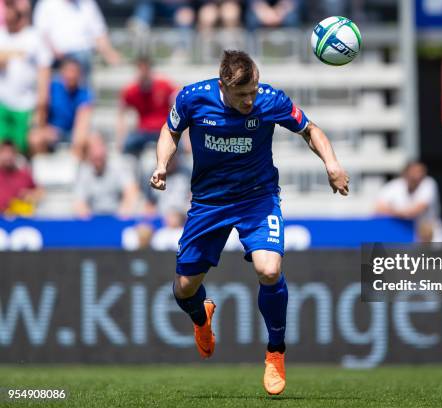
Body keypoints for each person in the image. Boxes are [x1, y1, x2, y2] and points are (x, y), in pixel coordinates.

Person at [149, 50, 349, 395]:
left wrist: (331, 163)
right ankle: (201, 318)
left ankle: (275, 353)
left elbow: (310, 129)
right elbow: (170, 130)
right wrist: (162, 164)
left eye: (253, 91)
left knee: (269, 270)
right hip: (209, 203)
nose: (250, 100)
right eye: (242, 95)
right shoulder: (193, 97)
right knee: (184, 289)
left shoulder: (270, 100)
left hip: (258, 198)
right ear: (223, 86)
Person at [0, 1, 51, 155]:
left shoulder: (34, 38)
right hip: (3, 104)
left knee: (26, 146)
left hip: (26, 106)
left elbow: (44, 74)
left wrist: (41, 111)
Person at [33, 0, 120, 79]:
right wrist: (55, 51)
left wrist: (110, 54)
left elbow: (99, 33)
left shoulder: (88, 4)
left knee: (83, 57)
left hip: (82, 56)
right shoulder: (46, 4)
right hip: (55, 57)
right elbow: (41, 34)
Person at [29, 58, 93, 159]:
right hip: (50, 130)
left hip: (72, 133)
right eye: (69, 71)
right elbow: (41, 111)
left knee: (89, 142)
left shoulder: (84, 94)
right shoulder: (52, 88)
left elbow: (83, 119)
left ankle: (74, 168)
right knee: (35, 138)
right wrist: (43, 128)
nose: (72, 75)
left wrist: (78, 140)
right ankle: (41, 168)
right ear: (62, 72)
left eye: (75, 72)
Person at [117, 55, 176, 157]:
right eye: (140, 69)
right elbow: (121, 112)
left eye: (145, 69)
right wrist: (120, 139)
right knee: (126, 147)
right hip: (143, 132)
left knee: (179, 146)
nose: (143, 73)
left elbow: (180, 103)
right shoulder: (132, 90)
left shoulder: (163, 85)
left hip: (163, 130)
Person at [374, 161, 442, 243]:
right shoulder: (394, 186)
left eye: (420, 172)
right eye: (414, 172)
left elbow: (416, 210)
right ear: (405, 173)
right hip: (406, 232)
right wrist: (402, 213)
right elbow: (378, 208)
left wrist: (393, 211)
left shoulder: (429, 184)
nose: (417, 176)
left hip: (432, 232)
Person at [74, 133, 140, 218]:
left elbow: (131, 192)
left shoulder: (119, 166)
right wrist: (88, 219)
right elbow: (79, 202)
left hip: (118, 219)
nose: (97, 153)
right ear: (87, 153)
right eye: (92, 148)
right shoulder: (83, 171)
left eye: (99, 147)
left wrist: (122, 214)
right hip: (94, 222)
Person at [0, 141, 41, 215]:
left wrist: (30, 195)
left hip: (19, 219)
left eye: (11, 152)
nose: (8, 156)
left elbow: (39, 192)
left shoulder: (24, 174)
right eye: (4, 152)